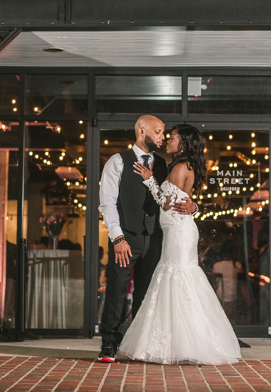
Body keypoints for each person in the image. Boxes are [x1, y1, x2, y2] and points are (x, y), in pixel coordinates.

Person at [118, 124, 241, 365]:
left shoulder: (181, 166)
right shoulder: (182, 166)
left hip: (178, 232)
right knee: (177, 279)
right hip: (178, 230)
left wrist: (149, 180)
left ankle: (187, 342)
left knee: (176, 278)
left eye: (172, 137)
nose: (167, 141)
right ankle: (181, 342)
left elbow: (166, 203)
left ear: (183, 143)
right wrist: (193, 205)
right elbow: (182, 200)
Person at [97, 115, 197, 363]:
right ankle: (109, 343)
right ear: (142, 131)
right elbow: (107, 204)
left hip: (155, 240)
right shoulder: (117, 162)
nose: (163, 138)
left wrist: (195, 208)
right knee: (117, 290)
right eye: (159, 132)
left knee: (147, 293)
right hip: (126, 238)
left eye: (165, 134)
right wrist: (118, 238)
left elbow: (178, 197)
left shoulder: (167, 165)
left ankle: (136, 343)